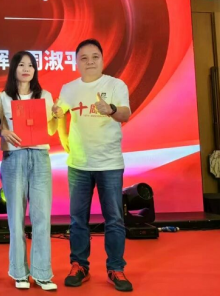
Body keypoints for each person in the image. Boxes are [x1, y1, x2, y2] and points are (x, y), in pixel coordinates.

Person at [52, 39, 133, 292]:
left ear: (102, 59)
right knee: (78, 220)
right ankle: (79, 266)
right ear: (76, 62)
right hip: (79, 164)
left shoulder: (115, 85)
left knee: (114, 219)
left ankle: (116, 268)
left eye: (95, 57)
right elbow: (58, 112)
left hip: (109, 163)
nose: (90, 62)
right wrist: (60, 126)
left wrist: (110, 109)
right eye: (84, 58)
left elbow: (125, 114)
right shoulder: (69, 88)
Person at [0, 51, 58, 291]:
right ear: (13, 69)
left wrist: (55, 116)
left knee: (42, 215)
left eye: (30, 65)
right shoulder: (2, 97)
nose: (26, 69)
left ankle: (42, 273)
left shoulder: (45, 96)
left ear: (35, 70)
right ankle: (19, 272)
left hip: (40, 157)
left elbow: (51, 130)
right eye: (21, 65)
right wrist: (3, 132)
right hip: (14, 157)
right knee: (16, 217)